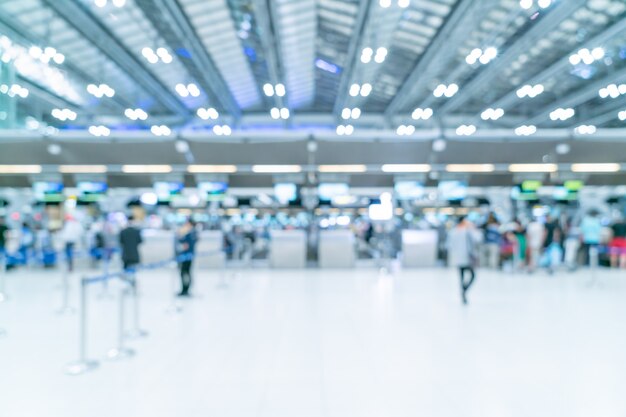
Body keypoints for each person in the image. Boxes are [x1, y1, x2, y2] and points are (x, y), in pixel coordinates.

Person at [447, 216, 479, 305]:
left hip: (457, 258)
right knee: (472, 275)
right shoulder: (467, 231)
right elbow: (477, 240)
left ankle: (463, 291)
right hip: (467, 257)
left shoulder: (453, 232)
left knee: (461, 277)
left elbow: (449, 245)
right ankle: (464, 290)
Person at [176, 219, 197, 297]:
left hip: (187, 257)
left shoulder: (190, 233)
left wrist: (180, 236)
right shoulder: (192, 233)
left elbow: (186, 245)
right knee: (185, 272)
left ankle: (185, 290)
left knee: (185, 272)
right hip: (187, 256)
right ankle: (184, 290)